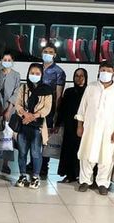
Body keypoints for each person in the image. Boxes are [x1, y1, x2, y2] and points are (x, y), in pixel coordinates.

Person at [76, 61, 114, 195]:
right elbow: (82, 108)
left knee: (106, 157)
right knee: (87, 155)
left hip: (109, 131)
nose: (105, 73)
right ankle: (85, 181)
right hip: (90, 129)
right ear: (99, 71)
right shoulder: (91, 87)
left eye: (109, 71)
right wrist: (80, 126)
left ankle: (103, 183)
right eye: (103, 70)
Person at [15, 63, 53, 189]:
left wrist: (33, 116)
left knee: (36, 153)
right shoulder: (23, 87)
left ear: (42, 75)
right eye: (32, 73)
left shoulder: (47, 90)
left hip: (37, 126)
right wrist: (25, 114)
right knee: (22, 152)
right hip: (23, 124)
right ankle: (22, 175)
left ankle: (35, 177)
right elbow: (18, 104)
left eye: (37, 73)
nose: (34, 75)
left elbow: (47, 108)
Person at [57, 68, 88, 183]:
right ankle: (69, 174)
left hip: (84, 126)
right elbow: (63, 109)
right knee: (69, 150)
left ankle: (81, 175)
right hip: (70, 126)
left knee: (81, 150)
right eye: (77, 76)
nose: (79, 78)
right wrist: (58, 123)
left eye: (82, 76)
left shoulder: (88, 91)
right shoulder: (69, 92)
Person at [40, 43, 66, 178]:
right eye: (45, 51)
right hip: (35, 108)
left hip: (49, 110)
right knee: (35, 137)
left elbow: (59, 94)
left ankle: (44, 165)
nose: (48, 54)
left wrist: (56, 112)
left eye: (50, 52)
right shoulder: (37, 68)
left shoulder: (59, 72)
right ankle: (33, 163)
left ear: (55, 55)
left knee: (46, 138)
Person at [0, 52, 21, 174]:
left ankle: (5, 164)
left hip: (10, 109)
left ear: (12, 61)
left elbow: (16, 93)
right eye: (5, 59)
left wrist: (9, 109)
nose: (7, 62)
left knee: (8, 137)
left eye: (9, 60)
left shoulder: (16, 75)